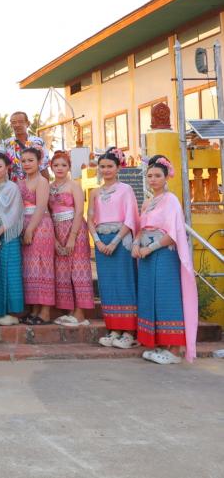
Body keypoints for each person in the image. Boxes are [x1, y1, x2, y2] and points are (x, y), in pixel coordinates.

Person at [133, 156, 198, 364]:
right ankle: (160, 345)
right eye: (149, 175)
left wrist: (150, 248)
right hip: (146, 255)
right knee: (150, 297)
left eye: (157, 176)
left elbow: (174, 233)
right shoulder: (149, 201)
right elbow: (141, 227)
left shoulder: (171, 200)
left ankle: (175, 349)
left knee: (166, 297)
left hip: (163, 254)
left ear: (166, 177)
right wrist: (136, 244)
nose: (153, 179)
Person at [88, 147, 139, 349]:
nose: (106, 170)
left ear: (118, 168)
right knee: (108, 286)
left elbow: (131, 218)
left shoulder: (125, 189)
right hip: (102, 241)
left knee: (125, 283)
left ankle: (128, 332)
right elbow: (90, 218)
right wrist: (98, 241)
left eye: (110, 166)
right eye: (102, 166)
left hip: (121, 240)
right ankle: (114, 329)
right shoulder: (95, 192)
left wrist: (115, 241)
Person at [48, 151, 94, 326]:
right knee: (62, 271)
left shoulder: (74, 185)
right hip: (57, 229)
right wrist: (56, 240)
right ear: (51, 167)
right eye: (56, 165)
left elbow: (80, 211)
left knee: (78, 269)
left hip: (75, 228)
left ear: (69, 167)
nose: (60, 168)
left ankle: (80, 313)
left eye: (63, 165)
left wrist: (72, 237)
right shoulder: (50, 187)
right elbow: (49, 213)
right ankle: (69, 311)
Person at [0, 152, 25, 326]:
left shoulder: (12, 188)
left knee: (10, 270)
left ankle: (12, 312)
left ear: (7, 167)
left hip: (7, 232)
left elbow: (14, 214)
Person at [19, 148, 55, 325]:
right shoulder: (20, 182)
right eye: (24, 161)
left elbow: (41, 207)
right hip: (24, 224)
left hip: (40, 226)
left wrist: (30, 229)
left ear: (39, 161)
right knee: (30, 268)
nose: (27, 164)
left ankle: (45, 311)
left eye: (30, 160)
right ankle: (34, 309)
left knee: (42, 266)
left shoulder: (42, 181)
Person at [2, 111, 48, 182]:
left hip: (35, 185)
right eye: (14, 122)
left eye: (21, 122)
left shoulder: (38, 142)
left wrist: (46, 187)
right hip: (14, 186)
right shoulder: (6, 143)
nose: (17, 125)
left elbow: (43, 167)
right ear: (11, 125)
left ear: (28, 123)